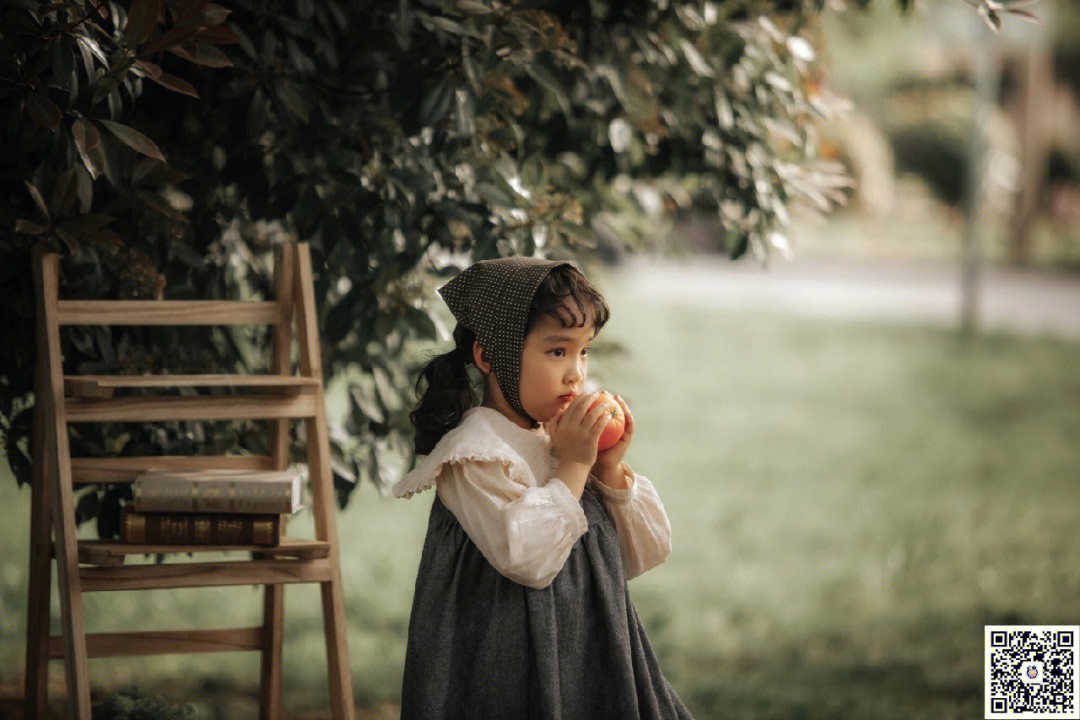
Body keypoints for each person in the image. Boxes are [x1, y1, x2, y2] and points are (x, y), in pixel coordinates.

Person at [392, 256, 694, 719]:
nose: (576, 372)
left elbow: (643, 554)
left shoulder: (559, 436)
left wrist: (608, 470)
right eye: (558, 352)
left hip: (591, 663)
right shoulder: (474, 455)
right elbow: (528, 558)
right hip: (507, 678)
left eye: (584, 350)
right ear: (489, 356)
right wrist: (573, 465)